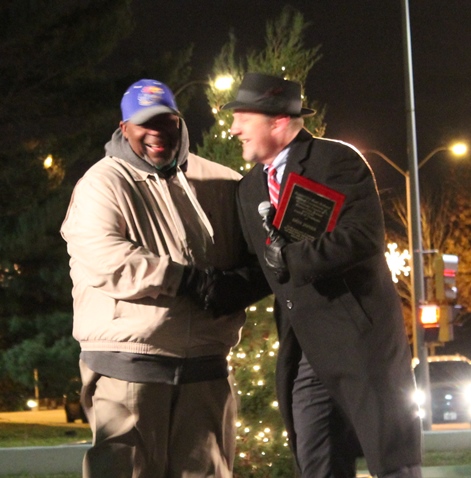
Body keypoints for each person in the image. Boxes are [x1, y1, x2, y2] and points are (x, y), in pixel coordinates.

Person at [60, 78, 269, 478]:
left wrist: (251, 281)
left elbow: (257, 249)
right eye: (144, 124)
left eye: (166, 121)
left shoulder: (223, 181)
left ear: (180, 122)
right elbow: (107, 257)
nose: (157, 133)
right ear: (125, 129)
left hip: (206, 365)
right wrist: (190, 282)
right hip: (130, 366)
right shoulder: (103, 183)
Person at [221, 72, 423, 478]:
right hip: (305, 353)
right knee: (317, 463)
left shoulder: (336, 160)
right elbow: (261, 269)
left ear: (278, 120)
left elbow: (362, 237)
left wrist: (293, 259)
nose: (233, 128)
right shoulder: (249, 190)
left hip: (359, 344)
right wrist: (206, 290)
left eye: (243, 117)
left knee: (392, 464)